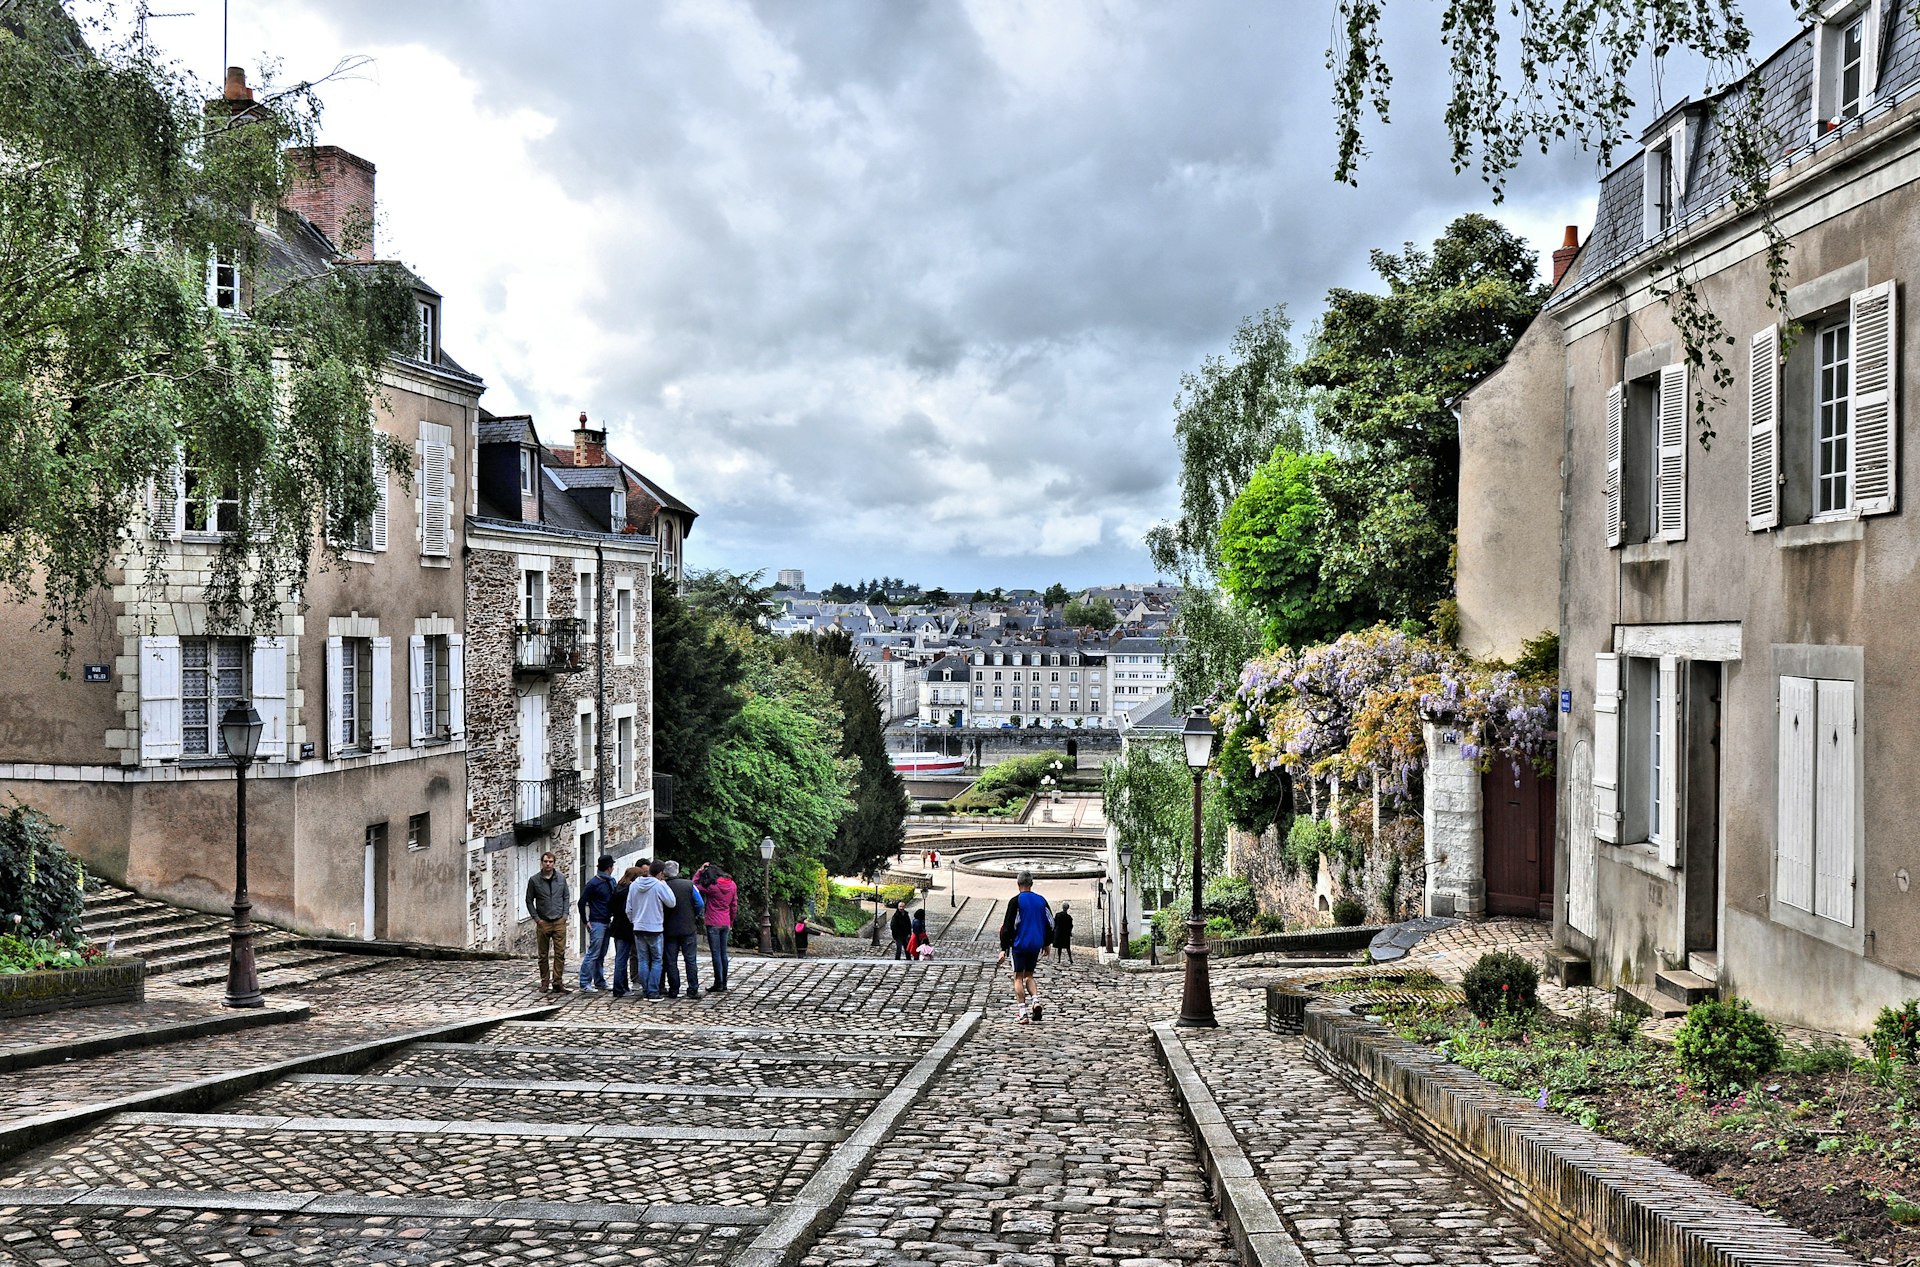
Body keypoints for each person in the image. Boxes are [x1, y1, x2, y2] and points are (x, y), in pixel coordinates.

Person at [996, 870, 1052, 1023]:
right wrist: (1046, 943)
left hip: (1020, 944)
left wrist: (1003, 948)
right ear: (1031, 884)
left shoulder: (1016, 901)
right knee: (1029, 975)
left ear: (1018, 884)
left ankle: (1022, 1012)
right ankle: (1035, 1000)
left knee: (1018, 977)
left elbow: (1008, 926)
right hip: (1035, 944)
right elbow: (1050, 923)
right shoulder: (1041, 900)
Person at [624, 858, 676, 1000]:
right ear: (660, 873)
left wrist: (634, 921)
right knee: (657, 960)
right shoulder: (658, 885)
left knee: (643, 960)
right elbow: (671, 902)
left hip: (638, 926)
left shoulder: (634, 885)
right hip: (654, 927)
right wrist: (664, 885)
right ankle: (653, 990)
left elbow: (628, 908)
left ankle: (645, 989)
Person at [525, 850, 571, 994]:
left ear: (554, 863)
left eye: (550, 862)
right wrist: (537, 919)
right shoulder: (534, 880)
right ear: (542, 862)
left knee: (560, 953)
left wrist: (564, 915)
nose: (548, 864)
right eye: (545, 861)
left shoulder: (561, 879)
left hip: (559, 921)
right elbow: (529, 900)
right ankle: (544, 982)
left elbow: (566, 897)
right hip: (543, 921)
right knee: (543, 955)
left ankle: (557, 982)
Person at [661, 859, 703, 1000]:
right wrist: (692, 914)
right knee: (690, 960)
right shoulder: (689, 885)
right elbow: (699, 903)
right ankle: (693, 989)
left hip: (669, 928)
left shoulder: (662, 886)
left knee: (671, 960)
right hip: (688, 927)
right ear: (677, 871)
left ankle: (674, 989)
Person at [576, 854, 617, 993]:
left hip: (607, 920)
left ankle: (599, 981)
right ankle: (584, 982)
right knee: (593, 954)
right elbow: (581, 902)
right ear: (609, 868)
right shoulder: (593, 884)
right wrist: (585, 921)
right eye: (612, 866)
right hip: (597, 922)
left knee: (601, 954)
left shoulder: (610, 882)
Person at [695, 864, 737, 992]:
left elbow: (694, 886)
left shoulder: (712, 887)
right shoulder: (732, 885)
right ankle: (724, 983)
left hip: (713, 922)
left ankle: (718, 983)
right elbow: (734, 905)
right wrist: (731, 921)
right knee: (723, 953)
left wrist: (699, 871)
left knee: (716, 954)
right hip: (725, 922)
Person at [608, 865, 643, 998]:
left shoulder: (618, 888)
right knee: (621, 960)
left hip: (617, 927)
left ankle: (623, 987)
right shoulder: (629, 891)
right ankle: (619, 988)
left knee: (620, 958)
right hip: (626, 928)